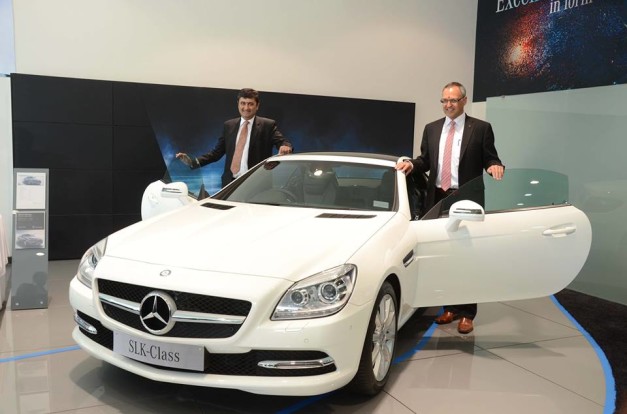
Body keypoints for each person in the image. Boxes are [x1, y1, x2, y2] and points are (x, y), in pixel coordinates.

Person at [396, 81, 505, 334]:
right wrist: (411, 164)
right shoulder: (432, 128)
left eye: (453, 100)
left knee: (467, 256)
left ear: (464, 101)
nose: (448, 105)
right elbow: (425, 161)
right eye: (444, 100)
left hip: (466, 198)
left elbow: (490, 156)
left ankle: (467, 313)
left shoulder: (481, 128)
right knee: (443, 254)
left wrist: (494, 165)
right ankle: (449, 308)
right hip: (438, 199)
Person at [176, 88, 293, 187]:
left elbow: (282, 142)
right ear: (238, 104)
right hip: (230, 184)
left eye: (250, 104)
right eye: (243, 103)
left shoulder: (267, 125)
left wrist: (285, 146)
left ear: (257, 106)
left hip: (257, 184)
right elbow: (216, 154)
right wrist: (193, 162)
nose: (246, 107)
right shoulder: (229, 125)